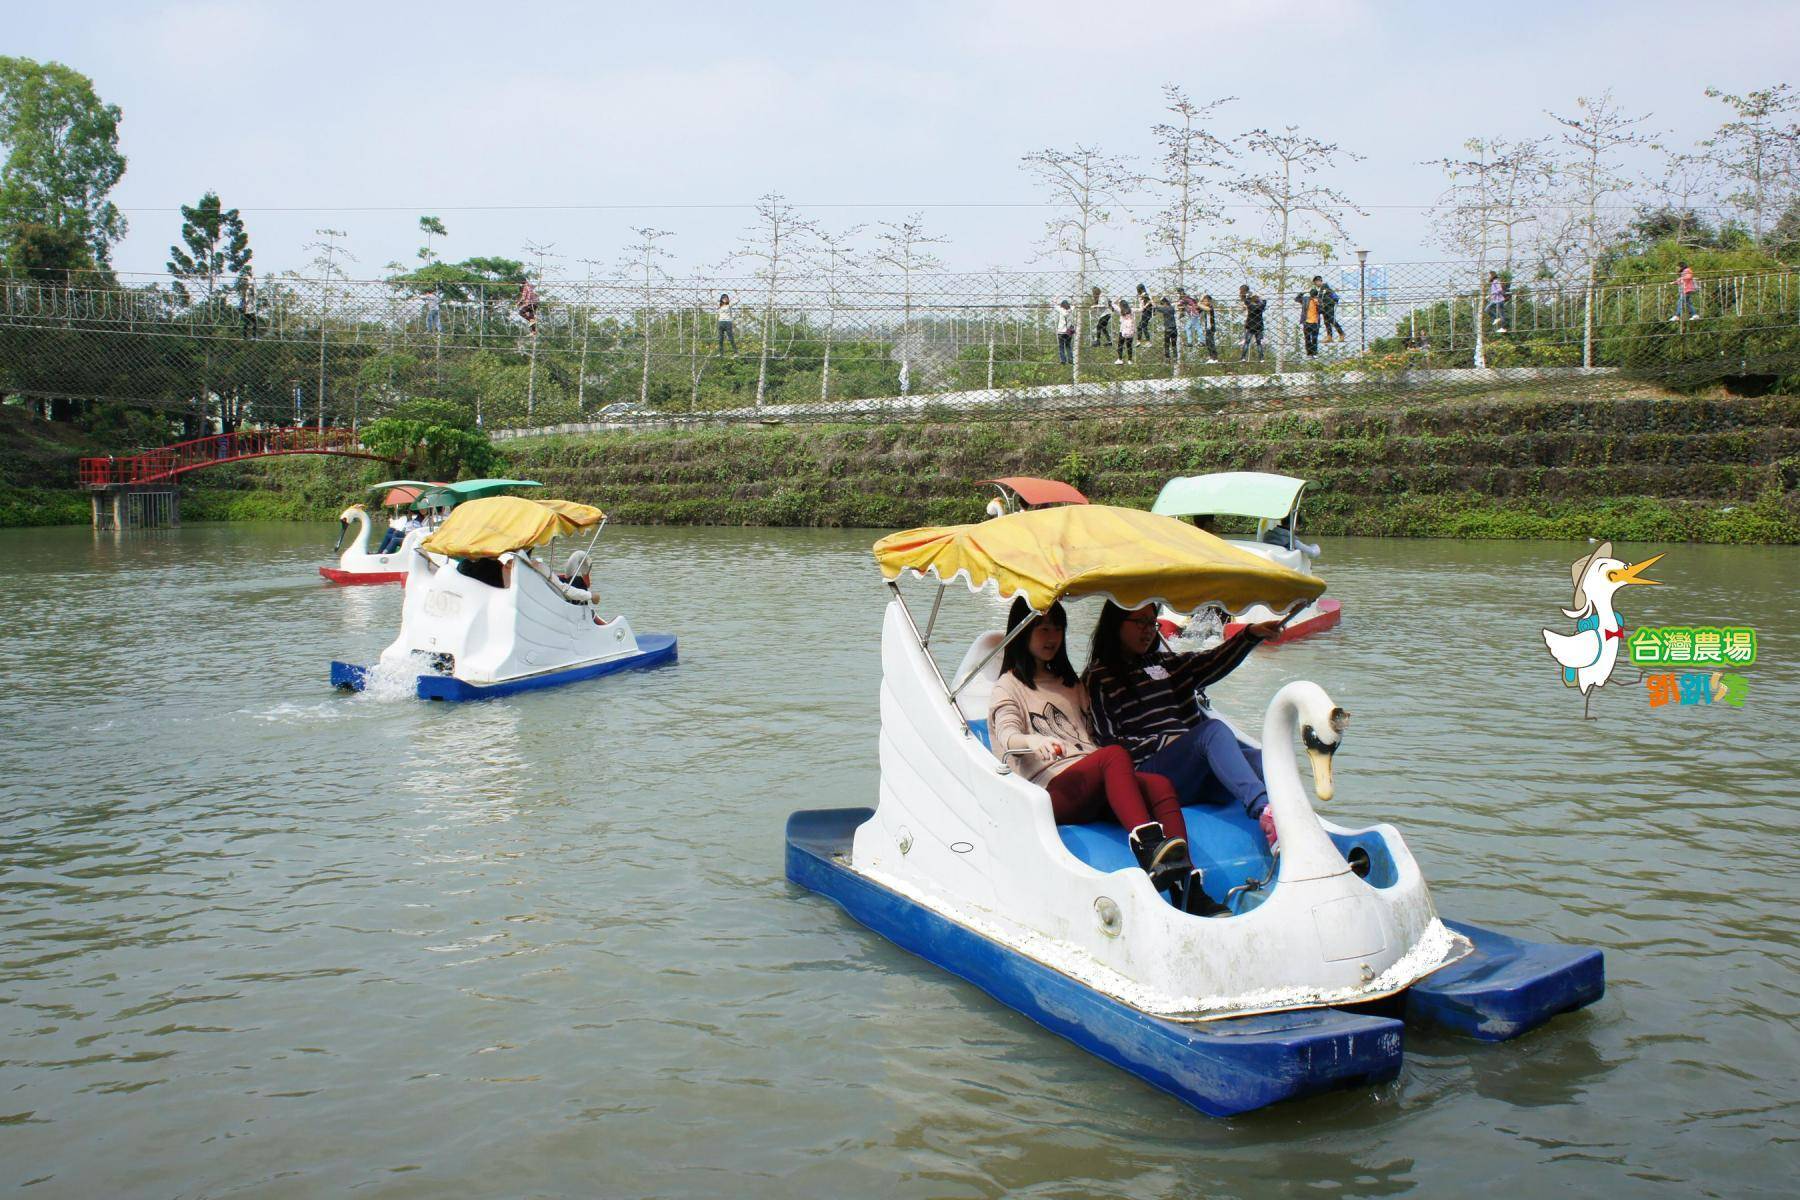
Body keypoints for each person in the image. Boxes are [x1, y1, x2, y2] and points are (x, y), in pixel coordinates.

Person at [988, 599, 1218, 913]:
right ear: (1023, 631)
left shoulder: (1072, 684)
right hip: (1052, 789)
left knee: (1159, 784)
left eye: (1057, 628)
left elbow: (1100, 730)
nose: (1051, 637)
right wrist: (1032, 740)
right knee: (1113, 756)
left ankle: (1187, 885)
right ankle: (1149, 848)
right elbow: (1006, 735)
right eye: (1042, 628)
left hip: (1091, 783)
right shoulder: (1008, 686)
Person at [1086, 602, 1285, 855]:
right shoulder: (1099, 677)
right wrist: (1165, 741)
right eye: (1140, 622)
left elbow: (1213, 661)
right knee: (1212, 731)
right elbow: (1109, 744)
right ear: (1115, 625)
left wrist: (1251, 634)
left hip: (1192, 769)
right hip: (1151, 772)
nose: (1148, 630)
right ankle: (1264, 812)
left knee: (1260, 758)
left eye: (1152, 623)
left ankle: (1289, 819)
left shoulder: (1169, 664)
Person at [1238, 285, 1266, 362]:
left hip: (1250, 325)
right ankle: (1261, 358)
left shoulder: (1250, 306)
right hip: (1259, 326)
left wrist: (1248, 296)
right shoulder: (1261, 307)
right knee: (1258, 343)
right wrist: (1261, 297)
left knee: (1247, 342)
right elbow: (1264, 302)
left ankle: (1243, 357)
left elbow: (1245, 300)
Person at [1318, 276, 1345, 343]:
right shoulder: (1321, 289)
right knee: (1326, 322)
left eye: (1316, 282)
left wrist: (1331, 303)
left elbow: (1333, 296)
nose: (1316, 284)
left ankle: (1341, 334)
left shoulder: (1325, 287)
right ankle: (1329, 337)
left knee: (1332, 320)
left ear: (1319, 281)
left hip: (1329, 307)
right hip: (1324, 307)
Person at [1296, 286, 1322, 357]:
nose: (1313, 296)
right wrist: (1302, 293)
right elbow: (1297, 299)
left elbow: (1321, 311)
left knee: (1314, 339)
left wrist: (1318, 304)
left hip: (1315, 323)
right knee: (1307, 339)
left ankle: (1314, 353)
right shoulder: (1306, 299)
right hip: (1307, 322)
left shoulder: (1319, 300)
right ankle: (1309, 353)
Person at [1196, 294, 1220, 362]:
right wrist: (1200, 301)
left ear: (1209, 301)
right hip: (1208, 327)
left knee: (1211, 342)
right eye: (1204, 301)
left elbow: (1207, 309)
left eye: (1205, 301)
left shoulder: (1210, 307)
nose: (1204, 302)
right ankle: (1211, 357)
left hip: (1211, 327)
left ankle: (1214, 357)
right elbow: (1197, 310)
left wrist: (1199, 303)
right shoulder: (1204, 307)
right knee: (1208, 342)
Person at [1115, 299, 1136, 364]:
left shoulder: (1121, 311)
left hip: (1123, 330)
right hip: (1130, 331)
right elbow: (1140, 309)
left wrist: (1117, 299)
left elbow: (1112, 304)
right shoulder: (1131, 310)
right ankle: (1130, 360)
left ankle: (1120, 359)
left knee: (1120, 345)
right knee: (1129, 346)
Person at [1054, 299, 1075, 365]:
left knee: (1061, 346)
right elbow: (1074, 305)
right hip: (1069, 332)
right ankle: (1070, 359)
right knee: (1068, 346)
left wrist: (1056, 299)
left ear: (1062, 306)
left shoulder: (1061, 310)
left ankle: (1063, 360)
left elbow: (1055, 306)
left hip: (1061, 331)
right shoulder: (1071, 310)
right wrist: (1073, 299)